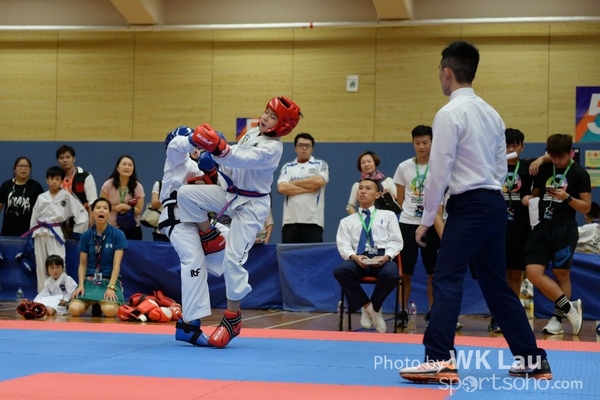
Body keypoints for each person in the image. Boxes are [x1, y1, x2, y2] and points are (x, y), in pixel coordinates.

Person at [399, 41, 550, 383]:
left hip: (468, 206)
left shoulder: (449, 113)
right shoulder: (492, 114)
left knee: (447, 278)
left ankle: (439, 359)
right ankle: (533, 360)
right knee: (496, 285)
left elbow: (439, 171)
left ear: (447, 72)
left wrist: (426, 221)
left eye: (439, 72)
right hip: (494, 203)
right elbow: (499, 170)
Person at [177, 95, 302, 348]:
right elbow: (233, 166)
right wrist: (212, 168)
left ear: (283, 126)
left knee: (233, 260)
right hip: (230, 194)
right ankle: (210, 237)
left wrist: (219, 148)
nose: (265, 118)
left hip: (251, 207)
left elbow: (240, 158)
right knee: (186, 194)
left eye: (272, 117)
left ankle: (232, 318)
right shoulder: (253, 133)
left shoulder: (273, 149)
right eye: (266, 112)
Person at [157, 126, 229, 347]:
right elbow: (176, 146)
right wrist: (193, 138)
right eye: (195, 144)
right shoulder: (176, 160)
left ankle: (200, 271)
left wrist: (213, 167)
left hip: (202, 218)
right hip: (178, 216)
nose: (197, 148)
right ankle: (189, 326)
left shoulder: (202, 164)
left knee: (234, 241)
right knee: (193, 260)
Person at [523, 133, 590, 336]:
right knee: (533, 272)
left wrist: (567, 197)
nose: (557, 161)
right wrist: (529, 196)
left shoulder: (579, 173)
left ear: (570, 153)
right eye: (552, 156)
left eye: (561, 157)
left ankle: (558, 319)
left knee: (562, 274)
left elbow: (586, 207)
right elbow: (537, 192)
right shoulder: (545, 167)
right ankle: (569, 306)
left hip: (565, 228)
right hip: (542, 226)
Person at [333, 178, 402, 333]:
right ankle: (370, 308)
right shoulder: (346, 221)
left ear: (377, 195)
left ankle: (372, 307)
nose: (363, 191)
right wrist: (354, 257)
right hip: (359, 258)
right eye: (361, 188)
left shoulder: (388, 215)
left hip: (381, 257)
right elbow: (343, 245)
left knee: (392, 274)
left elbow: (396, 241)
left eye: (368, 188)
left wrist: (386, 257)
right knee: (341, 271)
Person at [393, 125, 444, 329]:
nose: (421, 146)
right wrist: (412, 212)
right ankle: (402, 311)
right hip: (407, 223)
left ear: (432, 142)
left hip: (432, 224)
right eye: (417, 143)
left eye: (425, 142)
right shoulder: (403, 167)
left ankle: (433, 311)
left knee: (433, 272)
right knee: (405, 273)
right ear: (413, 143)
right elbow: (400, 198)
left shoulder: (439, 166)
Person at [487, 128, 537, 333]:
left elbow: (551, 159)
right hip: (495, 227)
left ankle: (510, 316)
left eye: (515, 145)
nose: (511, 149)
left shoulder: (528, 168)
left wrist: (532, 195)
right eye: (507, 145)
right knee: (496, 274)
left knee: (515, 274)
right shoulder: (492, 167)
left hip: (520, 228)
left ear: (522, 147)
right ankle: (496, 315)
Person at [25, 166, 89, 292]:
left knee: (59, 262)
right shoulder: (41, 197)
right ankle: (43, 294)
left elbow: (81, 213)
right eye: (51, 178)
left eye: (57, 179)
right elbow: (34, 216)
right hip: (39, 232)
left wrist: (78, 230)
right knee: (41, 264)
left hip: (55, 232)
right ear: (47, 180)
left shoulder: (66, 196)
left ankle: (61, 293)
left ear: (62, 181)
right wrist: (31, 234)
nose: (54, 181)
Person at [69, 197, 127, 318]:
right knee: (74, 309)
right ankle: (94, 302)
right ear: (92, 212)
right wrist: (81, 285)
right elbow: (82, 264)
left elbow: (117, 265)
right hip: (89, 282)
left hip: (109, 281)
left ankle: (101, 303)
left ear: (109, 214)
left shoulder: (118, 235)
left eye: (105, 208)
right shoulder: (86, 235)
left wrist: (111, 287)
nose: (101, 210)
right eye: (98, 208)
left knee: (109, 311)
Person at [277, 132, 329, 243]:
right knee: (289, 254)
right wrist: (308, 188)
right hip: (290, 222)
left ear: (312, 148)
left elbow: (319, 181)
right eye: (300, 145)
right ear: (295, 148)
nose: (304, 148)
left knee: (313, 254)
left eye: (307, 146)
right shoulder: (288, 167)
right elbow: (282, 188)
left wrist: (294, 182)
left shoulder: (320, 164)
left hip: (313, 221)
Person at [100, 155, 145, 240]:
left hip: (132, 228)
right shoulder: (108, 184)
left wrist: (125, 207)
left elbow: (139, 210)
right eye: (124, 164)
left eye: (130, 165)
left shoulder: (138, 187)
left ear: (133, 169)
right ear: (117, 167)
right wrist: (115, 208)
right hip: (111, 226)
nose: (127, 167)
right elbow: (102, 206)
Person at [56, 145, 98, 236]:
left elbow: (92, 202)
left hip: (82, 224)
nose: (65, 160)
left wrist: (90, 226)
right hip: (61, 225)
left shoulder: (85, 176)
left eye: (68, 157)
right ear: (58, 161)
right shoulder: (56, 178)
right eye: (61, 158)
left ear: (74, 159)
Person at [0, 156, 44, 237]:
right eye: (20, 166)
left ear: (30, 169)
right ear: (14, 169)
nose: (23, 168)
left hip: (28, 231)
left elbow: (42, 210)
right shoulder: (6, 185)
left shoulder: (36, 187)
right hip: (7, 231)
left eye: (26, 166)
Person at [346, 150, 397, 215]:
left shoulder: (387, 181)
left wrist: (389, 197)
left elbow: (398, 200)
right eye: (363, 163)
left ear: (375, 163)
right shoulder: (357, 185)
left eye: (369, 161)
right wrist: (358, 219)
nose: (366, 164)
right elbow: (350, 206)